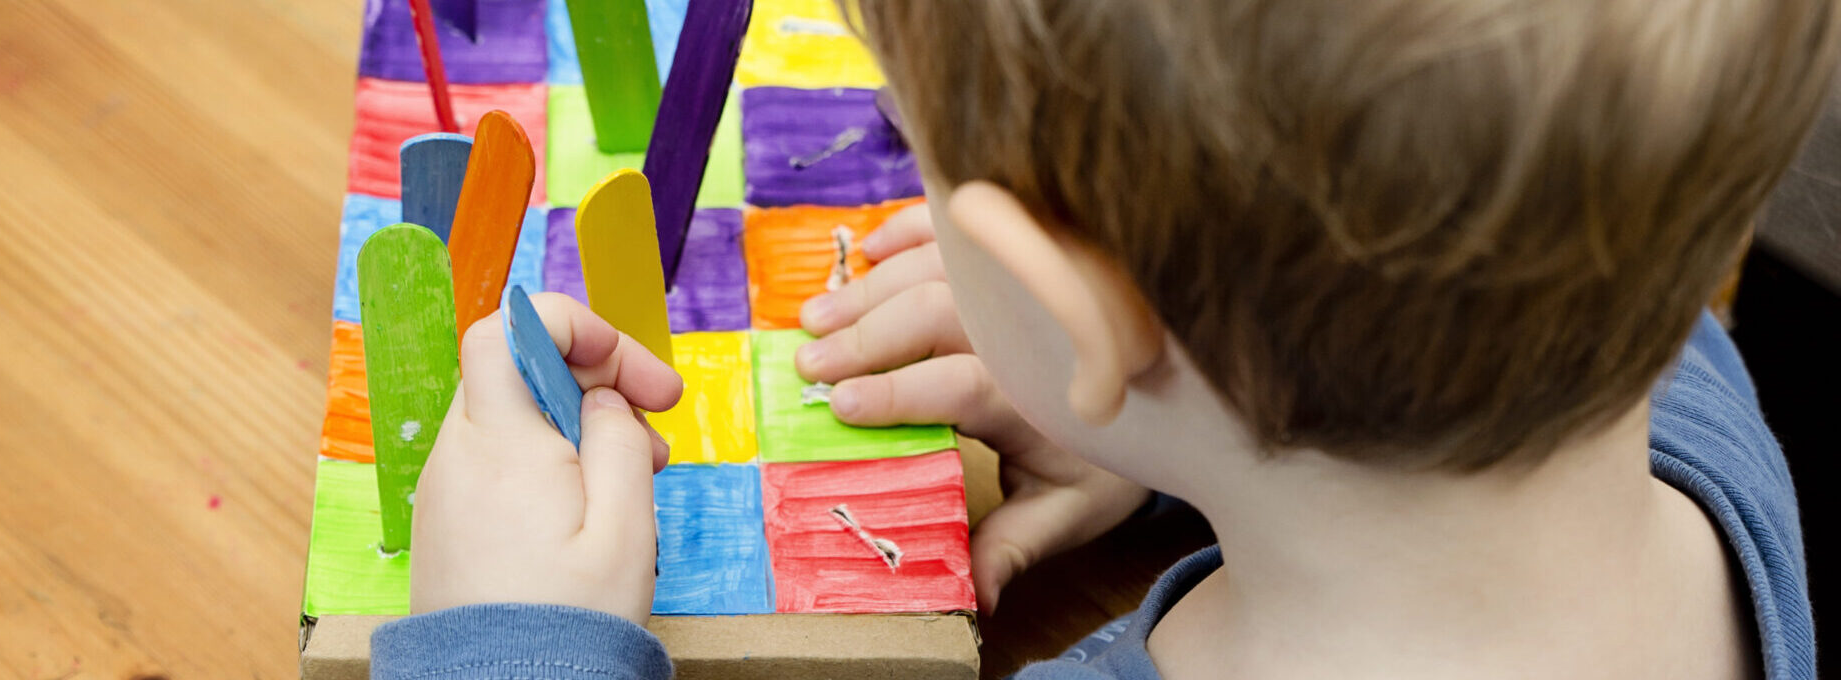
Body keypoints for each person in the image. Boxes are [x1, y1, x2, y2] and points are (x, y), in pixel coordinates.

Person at [371, 1, 1839, 677]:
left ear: (1070, 304)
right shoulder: (1718, 461)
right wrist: (1197, 418)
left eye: (915, 147)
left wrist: (511, 644)